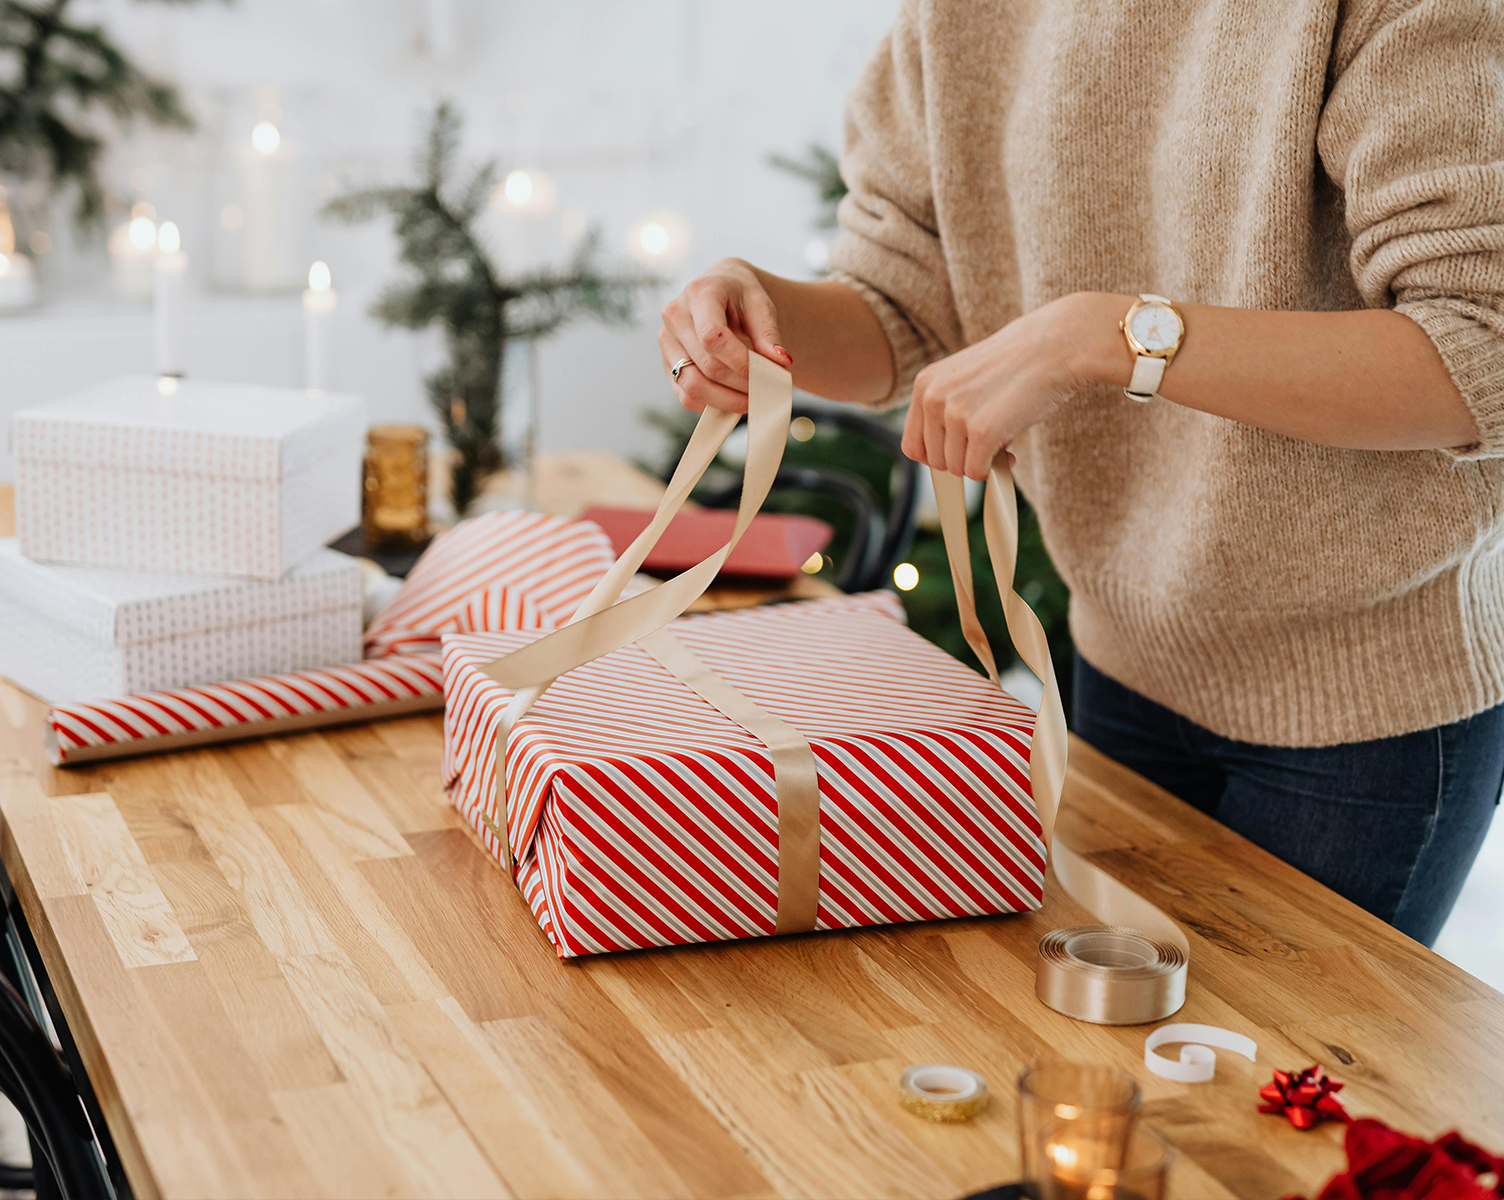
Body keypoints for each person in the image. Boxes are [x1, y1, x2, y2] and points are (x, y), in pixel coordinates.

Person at [654, 0, 1504, 947]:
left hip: (1368, 717)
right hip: (1117, 662)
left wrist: (1100, 337)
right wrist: (760, 316)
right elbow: (898, 302)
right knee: (1112, 1034)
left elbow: (1481, 347)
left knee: (1268, 1048)